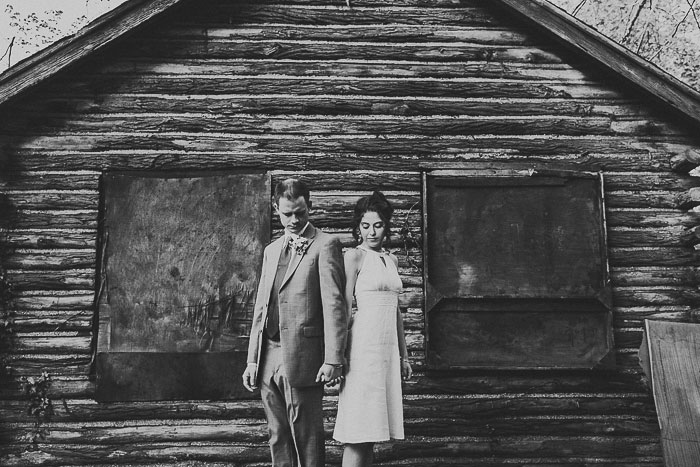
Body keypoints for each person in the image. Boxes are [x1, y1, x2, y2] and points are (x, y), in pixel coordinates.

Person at [242, 178, 347, 467]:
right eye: (287, 213)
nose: (294, 219)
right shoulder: (271, 250)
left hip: (304, 356)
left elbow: (335, 306)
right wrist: (253, 360)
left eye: (300, 212)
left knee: (307, 435)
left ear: (309, 207)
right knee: (277, 434)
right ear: (276, 209)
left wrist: (333, 359)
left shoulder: (326, 245)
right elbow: (261, 307)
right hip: (268, 355)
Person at [333, 191, 413, 467]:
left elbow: (396, 313)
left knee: (372, 432)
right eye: (365, 226)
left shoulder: (392, 260)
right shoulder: (354, 257)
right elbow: (343, 306)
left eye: (377, 225)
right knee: (358, 429)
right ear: (358, 228)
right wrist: (339, 354)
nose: (372, 232)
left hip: (386, 349)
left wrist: (404, 355)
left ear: (386, 226)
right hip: (363, 347)